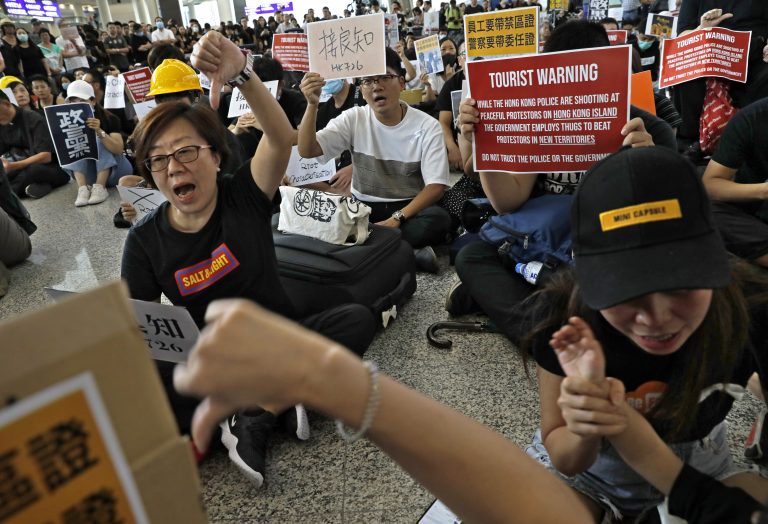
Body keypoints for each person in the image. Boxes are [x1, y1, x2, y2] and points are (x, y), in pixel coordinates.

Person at [121, 30, 376, 487]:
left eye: (185, 152)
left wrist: (242, 74)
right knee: (152, 384)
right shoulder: (143, 241)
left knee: (356, 320)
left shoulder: (243, 196)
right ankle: (284, 395)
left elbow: (281, 139)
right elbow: (139, 331)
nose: (174, 167)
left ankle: (255, 413)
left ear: (217, 157)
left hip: (280, 338)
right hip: (214, 359)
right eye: (158, 161)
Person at [523, 145, 768, 521]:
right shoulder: (564, 313)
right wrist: (586, 425)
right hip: (590, 475)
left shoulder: (751, 308)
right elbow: (564, 453)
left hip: (700, 465)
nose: (655, 319)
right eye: (626, 291)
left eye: (681, 285)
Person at [449, 20, 676, 345]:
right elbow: (506, 203)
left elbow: (671, 218)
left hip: (610, 249)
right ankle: (562, 330)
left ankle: (542, 320)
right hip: (547, 247)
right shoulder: (538, 119)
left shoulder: (651, 130)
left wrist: (648, 164)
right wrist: (487, 145)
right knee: (471, 256)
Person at [298, 47, 452, 273]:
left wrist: (397, 218)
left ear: (401, 83)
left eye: (384, 78)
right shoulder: (354, 118)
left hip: (408, 208)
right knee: (318, 217)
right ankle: (404, 251)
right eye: (368, 81)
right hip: (363, 207)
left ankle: (367, 245)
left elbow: (436, 186)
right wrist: (312, 105)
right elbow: (308, 150)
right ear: (362, 88)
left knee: (438, 219)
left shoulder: (427, 126)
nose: (376, 86)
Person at [674, 2, 768, 150]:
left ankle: (756, 143)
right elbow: (682, 36)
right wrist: (702, 29)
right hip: (709, 54)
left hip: (755, 54)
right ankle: (690, 142)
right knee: (685, 72)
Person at [702, 97, 768, 268]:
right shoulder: (752, 117)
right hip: (758, 216)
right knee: (703, 209)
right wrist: (763, 190)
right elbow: (711, 184)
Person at [63, 80, 130, 207]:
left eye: (82, 101)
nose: (77, 105)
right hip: (91, 175)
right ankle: (82, 189)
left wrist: (100, 131)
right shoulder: (67, 122)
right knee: (74, 140)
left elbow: (118, 149)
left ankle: (100, 187)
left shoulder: (110, 118)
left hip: (117, 171)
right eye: (72, 101)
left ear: (92, 101)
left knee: (98, 139)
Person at [0, 89, 68, 198]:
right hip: (20, 166)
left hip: (51, 168)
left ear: (6, 104)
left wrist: (13, 166)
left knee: (33, 171)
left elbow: (46, 156)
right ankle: (35, 187)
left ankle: (8, 194)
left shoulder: (32, 118)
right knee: (5, 174)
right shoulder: (2, 123)